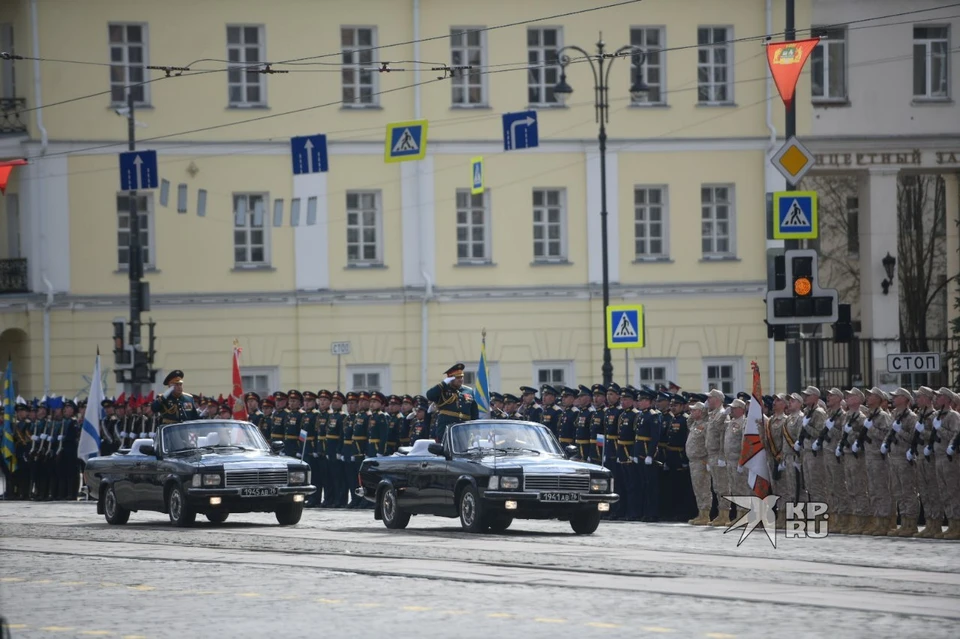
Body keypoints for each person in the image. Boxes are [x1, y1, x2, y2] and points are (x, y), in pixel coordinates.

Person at [425, 363, 479, 443]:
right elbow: (429, 395)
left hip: (464, 430)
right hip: (447, 428)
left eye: (461, 377)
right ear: (450, 379)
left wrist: (476, 429)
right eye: (457, 377)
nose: (460, 379)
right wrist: (443, 383)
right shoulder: (443, 389)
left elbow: (474, 411)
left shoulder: (468, 390)